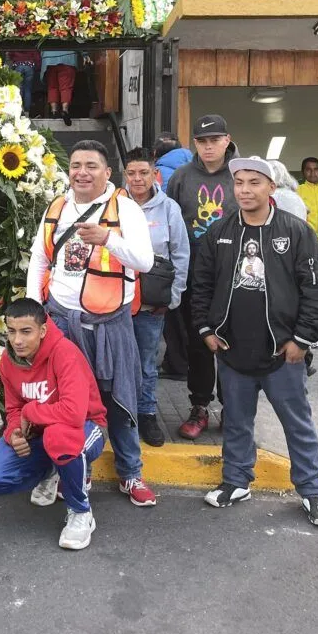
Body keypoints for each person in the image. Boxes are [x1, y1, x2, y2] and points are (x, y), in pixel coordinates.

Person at [192, 156, 318, 527]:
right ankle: (236, 481)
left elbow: (317, 291)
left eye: (254, 183)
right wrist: (206, 330)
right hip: (233, 351)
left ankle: (314, 491)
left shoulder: (295, 231)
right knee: (236, 421)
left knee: (297, 423)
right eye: (239, 183)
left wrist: (302, 340)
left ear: (272, 187)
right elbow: (201, 284)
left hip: (283, 353)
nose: (245, 190)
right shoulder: (220, 231)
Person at [26, 139, 157, 506]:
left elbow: (145, 262)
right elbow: (39, 259)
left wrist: (108, 239)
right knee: (64, 401)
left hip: (109, 323)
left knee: (118, 399)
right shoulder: (58, 206)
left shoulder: (125, 210)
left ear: (107, 173)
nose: (82, 173)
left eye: (91, 166)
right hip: (62, 322)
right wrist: (37, 315)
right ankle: (59, 470)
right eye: (76, 165)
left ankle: (130, 474)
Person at [0, 299, 107, 551]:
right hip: (41, 433)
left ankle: (81, 512)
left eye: (26, 332)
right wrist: (15, 431)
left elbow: (72, 413)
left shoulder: (65, 353)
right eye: (12, 331)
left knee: (59, 436)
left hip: (87, 426)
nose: (17, 340)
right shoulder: (8, 361)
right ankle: (52, 470)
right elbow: (14, 408)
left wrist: (30, 411)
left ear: (43, 331)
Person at [167, 114, 238, 440]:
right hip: (195, 278)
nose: (208, 147)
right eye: (202, 141)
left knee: (233, 344)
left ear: (226, 140)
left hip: (235, 278)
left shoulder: (242, 175)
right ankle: (199, 407)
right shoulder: (181, 177)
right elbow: (170, 226)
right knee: (197, 345)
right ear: (194, 143)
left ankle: (231, 407)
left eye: (215, 140)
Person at [124, 148, 190, 447]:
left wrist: (173, 296)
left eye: (143, 172)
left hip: (152, 302)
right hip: (115, 301)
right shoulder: (115, 205)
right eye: (131, 173)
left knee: (147, 363)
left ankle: (147, 413)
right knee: (116, 362)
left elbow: (180, 254)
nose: (137, 179)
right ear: (124, 175)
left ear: (154, 174)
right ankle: (120, 414)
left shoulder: (169, 209)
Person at [297, 157, 318, 252]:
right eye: (308, 170)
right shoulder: (296, 188)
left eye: (316, 169)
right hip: (303, 237)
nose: (312, 173)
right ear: (303, 172)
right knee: (304, 265)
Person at [41, 50, 81, 126]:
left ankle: (53, 111)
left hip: (49, 59)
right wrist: (85, 54)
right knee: (66, 87)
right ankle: (65, 110)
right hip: (68, 57)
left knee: (52, 87)